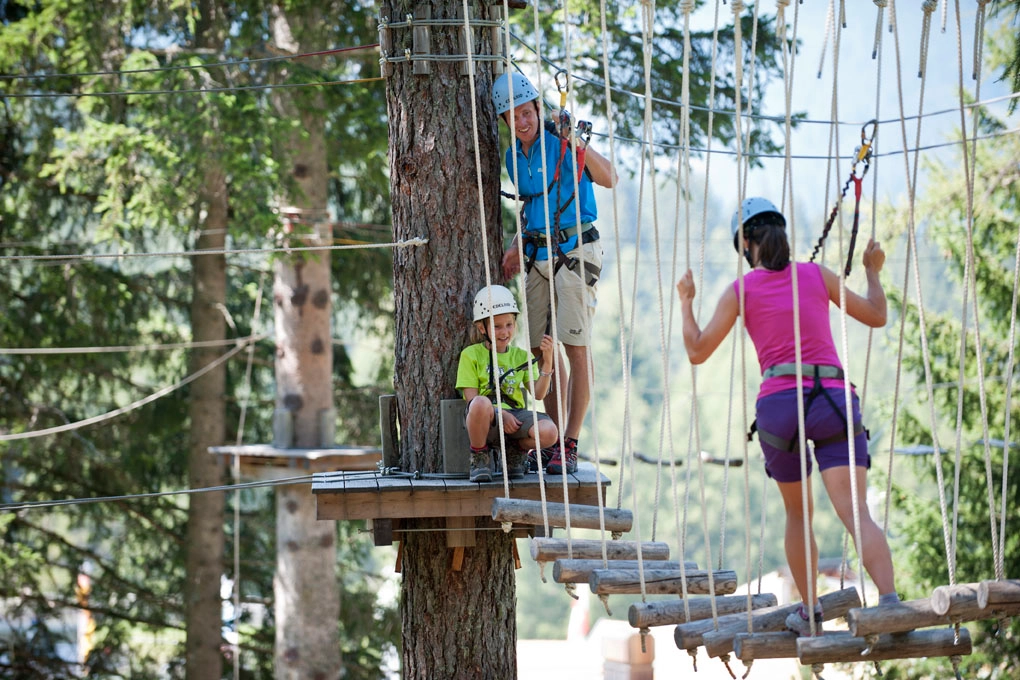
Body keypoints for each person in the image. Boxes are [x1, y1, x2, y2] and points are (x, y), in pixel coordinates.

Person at [675, 197, 899, 636]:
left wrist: (686, 303)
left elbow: (698, 350)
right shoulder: (816, 275)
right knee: (856, 514)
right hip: (832, 396)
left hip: (781, 406)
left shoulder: (741, 290)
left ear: (745, 244)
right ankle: (890, 602)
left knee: (798, 515)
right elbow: (876, 314)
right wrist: (872, 271)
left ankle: (810, 613)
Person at [491, 71, 618, 474]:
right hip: (537, 253)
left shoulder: (562, 143)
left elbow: (609, 178)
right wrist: (515, 247)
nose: (523, 122)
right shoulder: (513, 158)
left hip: (575, 248)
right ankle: (553, 437)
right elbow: (531, 206)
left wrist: (574, 139)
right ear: (507, 122)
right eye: (514, 117)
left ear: (537, 110)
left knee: (574, 347)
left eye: (527, 113)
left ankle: (571, 442)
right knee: (540, 349)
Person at [456, 285, 559, 483]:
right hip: (486, 418)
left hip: (515, 419)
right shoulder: (471, 355)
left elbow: (538, 394)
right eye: (497, 326)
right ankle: (479, 456)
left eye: (509, 325)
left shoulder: (522, 356)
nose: (504, 332)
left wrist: (547, 361)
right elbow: (471, 400)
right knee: (480, 403)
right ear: (482, 328)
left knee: (549, 432)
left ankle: (516, 450)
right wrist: (500, 414)